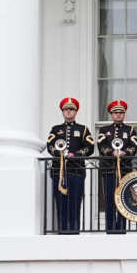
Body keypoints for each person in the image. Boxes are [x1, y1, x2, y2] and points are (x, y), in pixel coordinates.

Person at [47, 97, 95, 233]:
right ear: (62, 112)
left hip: (76, 171)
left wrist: (77, 154)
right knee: (60, 203)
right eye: (66, 109)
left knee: (75, 202)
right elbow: (49, 145)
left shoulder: (83, 129)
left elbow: (90, 147)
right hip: (59, 171)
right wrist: (58, 153)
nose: (68, 111)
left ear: (76, 112)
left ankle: (74, 232)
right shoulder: (56, 129)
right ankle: (62, 232)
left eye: (71, 109)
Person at [98, 100, 137, 233]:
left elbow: (134, 146)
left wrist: (125, 152)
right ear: (111, 114)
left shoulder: (130, 130)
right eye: (116, 112)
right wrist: (111, 152)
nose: (119, 114)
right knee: (109, 200)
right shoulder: (104, 130)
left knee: (123, 200)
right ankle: (110, 230)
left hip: (125, 170)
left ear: (124, 114)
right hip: (109, 169)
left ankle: (121, 229)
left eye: (121, 112)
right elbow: (101, 145)